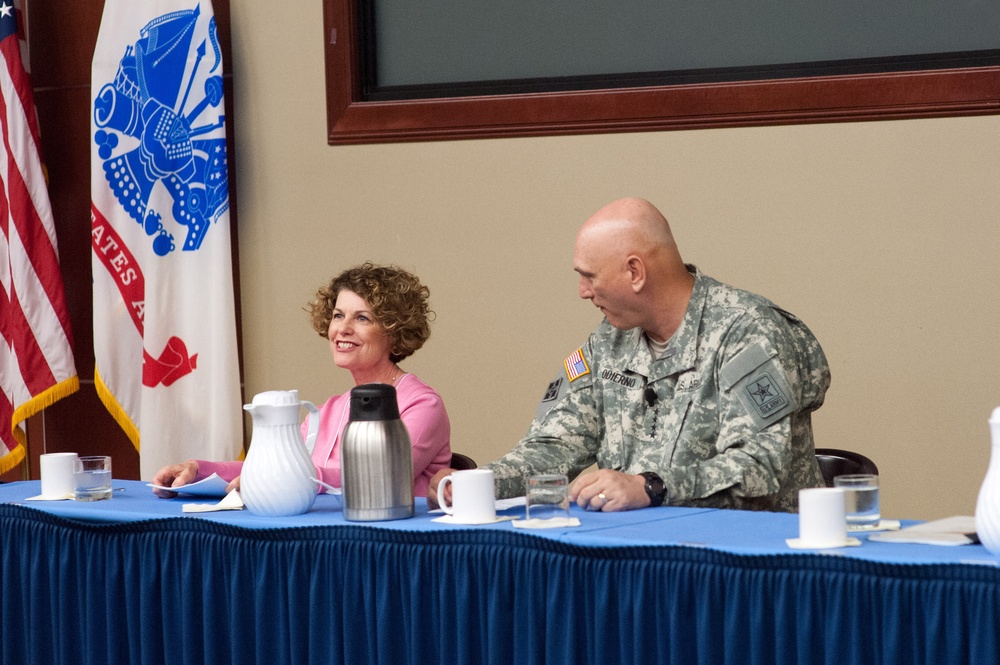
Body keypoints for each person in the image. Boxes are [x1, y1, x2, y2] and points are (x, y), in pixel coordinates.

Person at [429, 198, 829, 513]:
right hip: (638, 556)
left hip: (746, 566)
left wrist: (648, 487)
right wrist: (480, 484)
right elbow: (556, 446)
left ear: (635, 272)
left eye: (589, 275)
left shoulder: (747, 331)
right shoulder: (609, 341)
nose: (583, 291)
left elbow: (759, 467)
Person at [152, 262, 451, 497]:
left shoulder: (422, 404)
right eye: (337, 315)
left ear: (394, 331)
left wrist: (300, 477)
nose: (342, 328)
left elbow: (381, 475)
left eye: (362, 318)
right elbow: (274, 466)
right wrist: (199, 469)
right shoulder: (332, 409)